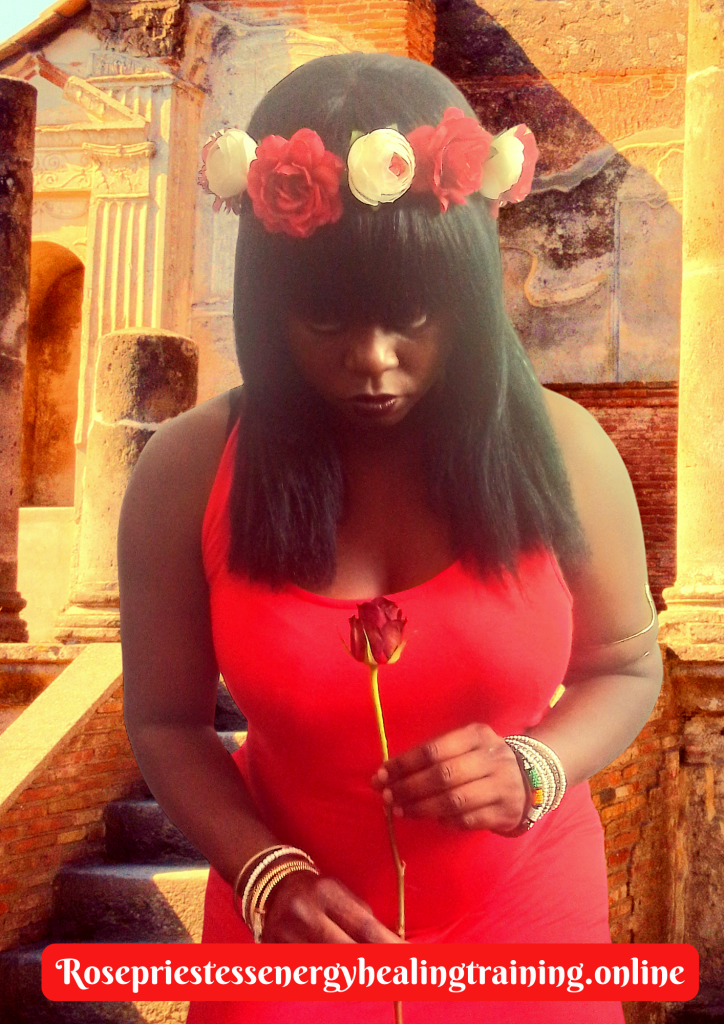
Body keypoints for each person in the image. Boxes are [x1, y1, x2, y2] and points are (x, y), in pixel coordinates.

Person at [118, 52, 663, 1024]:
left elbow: (623, 666)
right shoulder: (188, 472)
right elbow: (165, 723)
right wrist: (266, 873)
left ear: (468, 292)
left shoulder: (566, 452)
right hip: (291, 942)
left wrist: (535, 768)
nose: (372, 360)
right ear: (268, 303)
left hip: (526, 936)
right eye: (325, 320)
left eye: (412, 316)